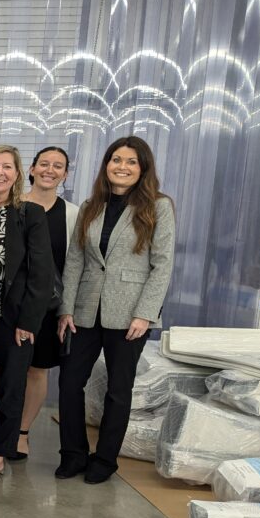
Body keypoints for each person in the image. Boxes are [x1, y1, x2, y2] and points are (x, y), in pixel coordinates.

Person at [57, 136, 175, 484]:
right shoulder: (92, 205)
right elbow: (76, 260)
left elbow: (163, 264)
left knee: (118, 390)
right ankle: (73, 454)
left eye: (131, 162)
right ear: (106, 165)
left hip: (131, 314)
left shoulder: (159, 206)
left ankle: (105, 460)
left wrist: (146, 313)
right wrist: (66, 309)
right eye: (116, 160)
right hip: (85, 310)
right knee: (69, 383)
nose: (122, 166)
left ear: (143, 169)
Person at [0, 145, 54, 485]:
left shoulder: (29, 213)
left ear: (18, 174)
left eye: (6, 167)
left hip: (11, 320)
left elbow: (41, 273)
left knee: (11, 390)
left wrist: (29, 322)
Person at [5, 147, 79, 458]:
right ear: (32, 169)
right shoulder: (12, 205)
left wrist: (66, 310)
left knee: (37, 369)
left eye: (58, 166)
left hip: (47, 306)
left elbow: (75, 266)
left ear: (65, 174)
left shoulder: (73, 214)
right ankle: (1, 429)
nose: (50, 170)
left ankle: (21, 433)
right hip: (7, 303)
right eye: (44, 164)